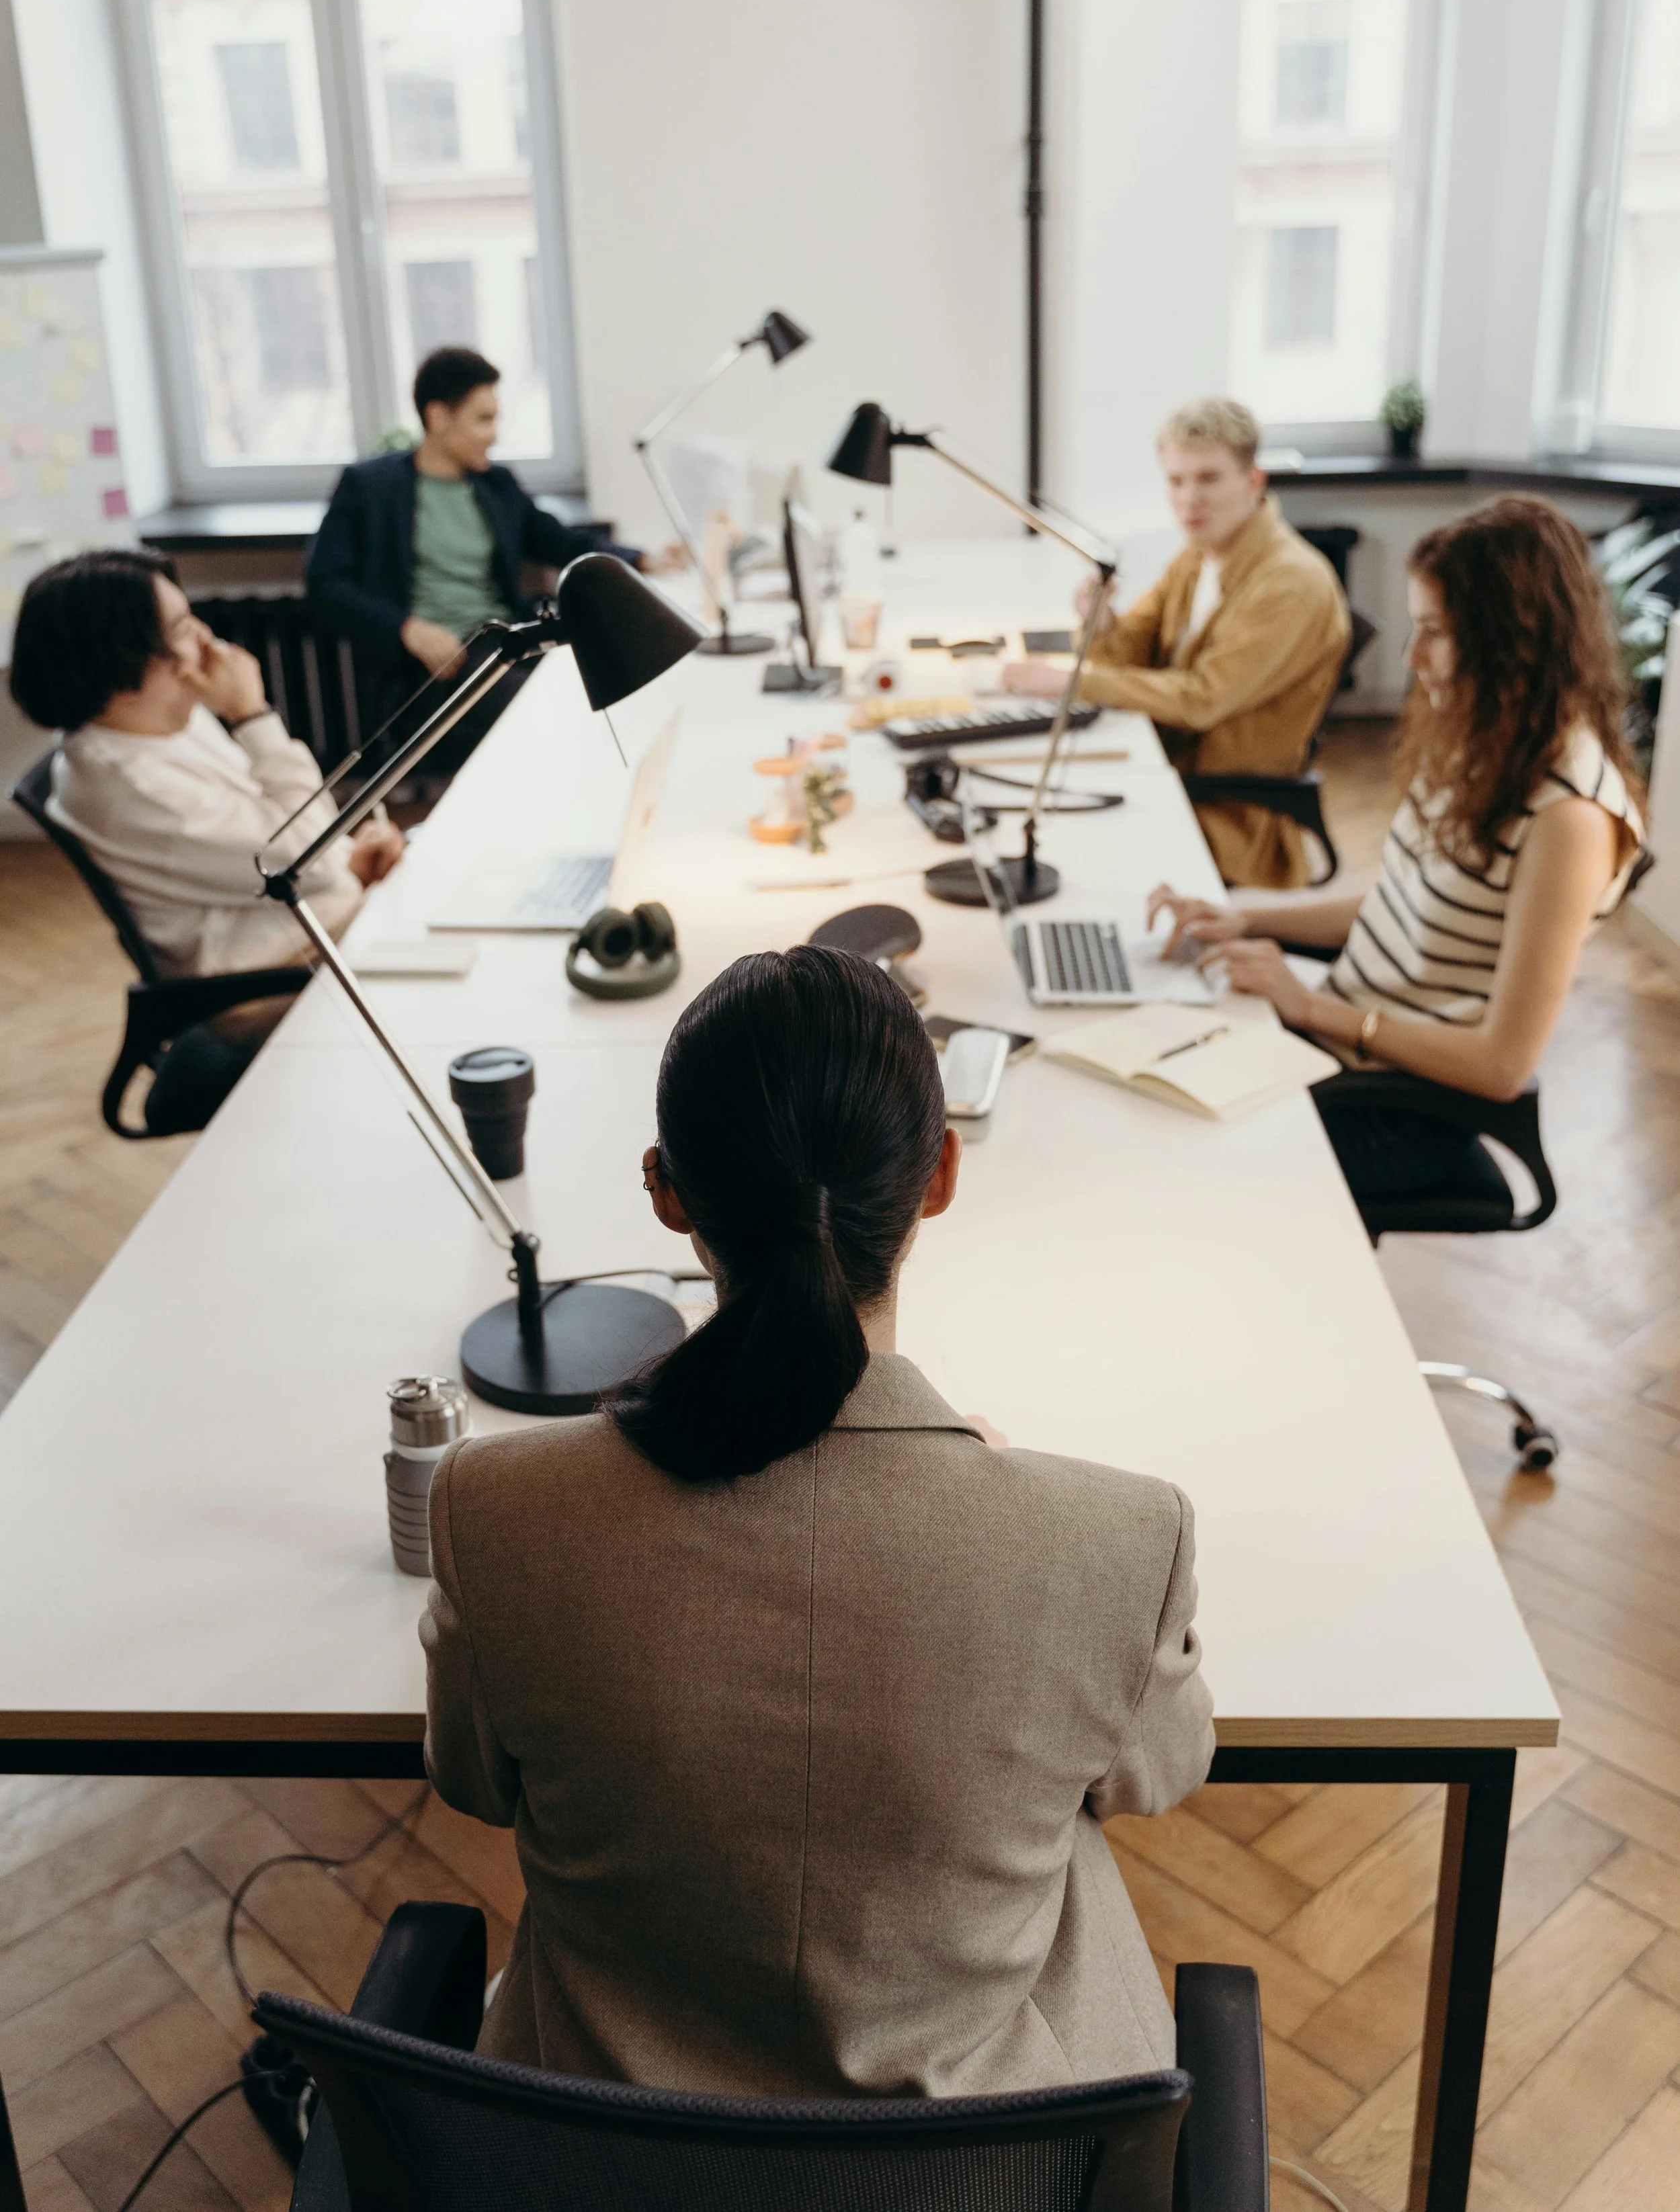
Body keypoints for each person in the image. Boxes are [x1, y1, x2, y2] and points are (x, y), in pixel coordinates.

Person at [423, 946, 1214, 2096]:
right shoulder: (1117, 1543)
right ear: (940, 1173)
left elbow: (471, 1780)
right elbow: (1162, 1770)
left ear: (666, 1189)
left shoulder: (494, 1514)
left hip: (612, 2174)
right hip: (985, 2182)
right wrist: (996, 1512)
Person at [1149, 497, 1645, 1206]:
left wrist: (1313, 1010)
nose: (1411, 660)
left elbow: (1501, 1067)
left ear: (1515, 638)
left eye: (1436, 633)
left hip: (1402, 1109)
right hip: (1345, 1056)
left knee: (1176, 1174)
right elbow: (1402, 909)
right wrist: (1245, 918)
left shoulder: (1569, 816)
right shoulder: (1488, 741)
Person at [9, 548, 403, 983]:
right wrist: (252, 716)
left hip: (307, 919)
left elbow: (278, 838)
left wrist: (348, 858)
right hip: (270, 972)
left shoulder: (171, 716)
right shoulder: (132, 787)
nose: (204, 636)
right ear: (123, 669)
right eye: (181, 627)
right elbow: (304, 862)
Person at [1003, 397, 1349, 888]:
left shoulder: (1290, 584)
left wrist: (1073, 680)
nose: (1189, 500)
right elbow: (1135, 650)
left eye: (1208, 479)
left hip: (1226, 813)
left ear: (1254, 480)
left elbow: (1201, 698)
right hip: (1170, 770)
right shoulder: (1199, 556)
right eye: (1176, 480)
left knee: (1057, 847)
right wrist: (1101, 624)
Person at [307, 346, 679, 743]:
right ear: (438, 418)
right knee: (555, 718)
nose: (494, 435)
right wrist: (407, 630)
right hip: (437, 663)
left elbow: (561, 542)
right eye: (483, 420)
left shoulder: (496, 485)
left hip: (506, 638)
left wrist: (642, 559)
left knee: (612, 678)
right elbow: (325, 585)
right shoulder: (370, 487)